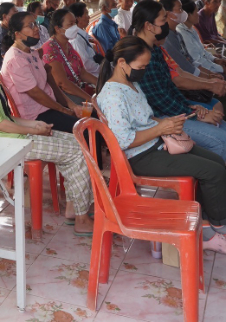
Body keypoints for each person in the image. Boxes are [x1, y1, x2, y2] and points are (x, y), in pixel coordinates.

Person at [96, 36, 226, 253]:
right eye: (141, 67)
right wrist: (160, 129)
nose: (144, 71)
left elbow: (145, 119)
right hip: (140, 156)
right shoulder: (113, 95)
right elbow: (123, 141)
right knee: (213, 171)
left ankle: (207, 218)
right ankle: (215, 227)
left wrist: (168, 124)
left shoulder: (132, 84)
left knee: (216, 162)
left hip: (156, 143)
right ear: (121, 63)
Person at [0, 28, 94, 235]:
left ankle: (75, 208)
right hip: (5, 142)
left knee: (77, 142)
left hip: (13, 134)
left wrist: (34, 125)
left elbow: (5, 117)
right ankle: (81, 217)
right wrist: (32, 130)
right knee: (77, 152)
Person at [131, 0, 226, 160]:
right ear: (149, 26)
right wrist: (193, 115)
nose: (166, 23)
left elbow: (170, 87)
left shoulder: (154, 49)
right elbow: (158, 99)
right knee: (221, 140)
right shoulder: (140, 55)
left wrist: (191, 107)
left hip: (172, 112)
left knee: (221, 125)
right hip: (158, 119)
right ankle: (213, 174)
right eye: (163, 19)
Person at [0, 12, 84, 134]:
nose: (36, 28)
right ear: (17, 34)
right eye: (30, 25)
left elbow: (50, 85)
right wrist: (63, 110)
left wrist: (71, 105)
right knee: (86, 129)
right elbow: (35, 93)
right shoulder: (15, 59)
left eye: (35, 24)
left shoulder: (32, 53)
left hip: (49, 107)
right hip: (36, 116)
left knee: (91, 117)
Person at [43, 9, 98, 103]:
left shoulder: (68, 45)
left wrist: (102, 84)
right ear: (57, 28)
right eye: (70, 24)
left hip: (77, 90)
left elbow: (82, 73)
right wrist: (91, 100)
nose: (75, 27)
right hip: (64, 97)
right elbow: (63, 83)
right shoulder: (50, 48)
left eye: (75, 23)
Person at [178, 0, 226, 73]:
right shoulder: (182, 33)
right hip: (202, 72)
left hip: (208, 68)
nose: (198, 15)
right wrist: (221, 69)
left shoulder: (191, 29)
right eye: (196, 12)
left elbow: (202, 51)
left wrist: (215, 59)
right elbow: (197, 61)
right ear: (188, 15)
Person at [68, 2, 102, 77]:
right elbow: (86, 64)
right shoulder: (76, 39)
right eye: (86, 14)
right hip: (93, 77)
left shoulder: (82, 35)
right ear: (78, 18)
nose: (89, 17)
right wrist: (103, 69)